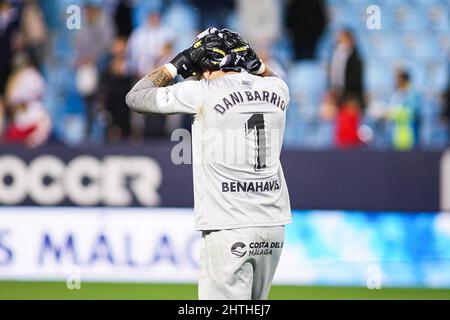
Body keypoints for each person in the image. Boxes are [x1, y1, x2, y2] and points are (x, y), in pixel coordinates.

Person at [126, 28, 291, 300]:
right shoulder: (277, 88)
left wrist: (174, 64)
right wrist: (259, 64)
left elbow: (135, 97)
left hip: (229, 225)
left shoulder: (203, 91)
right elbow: (274, 79)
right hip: (273, 226)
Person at [329, 29, 364, 110]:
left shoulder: (356, 58)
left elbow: (355, 79)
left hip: (350, 95)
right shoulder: (334, 55)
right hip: (337, 94)